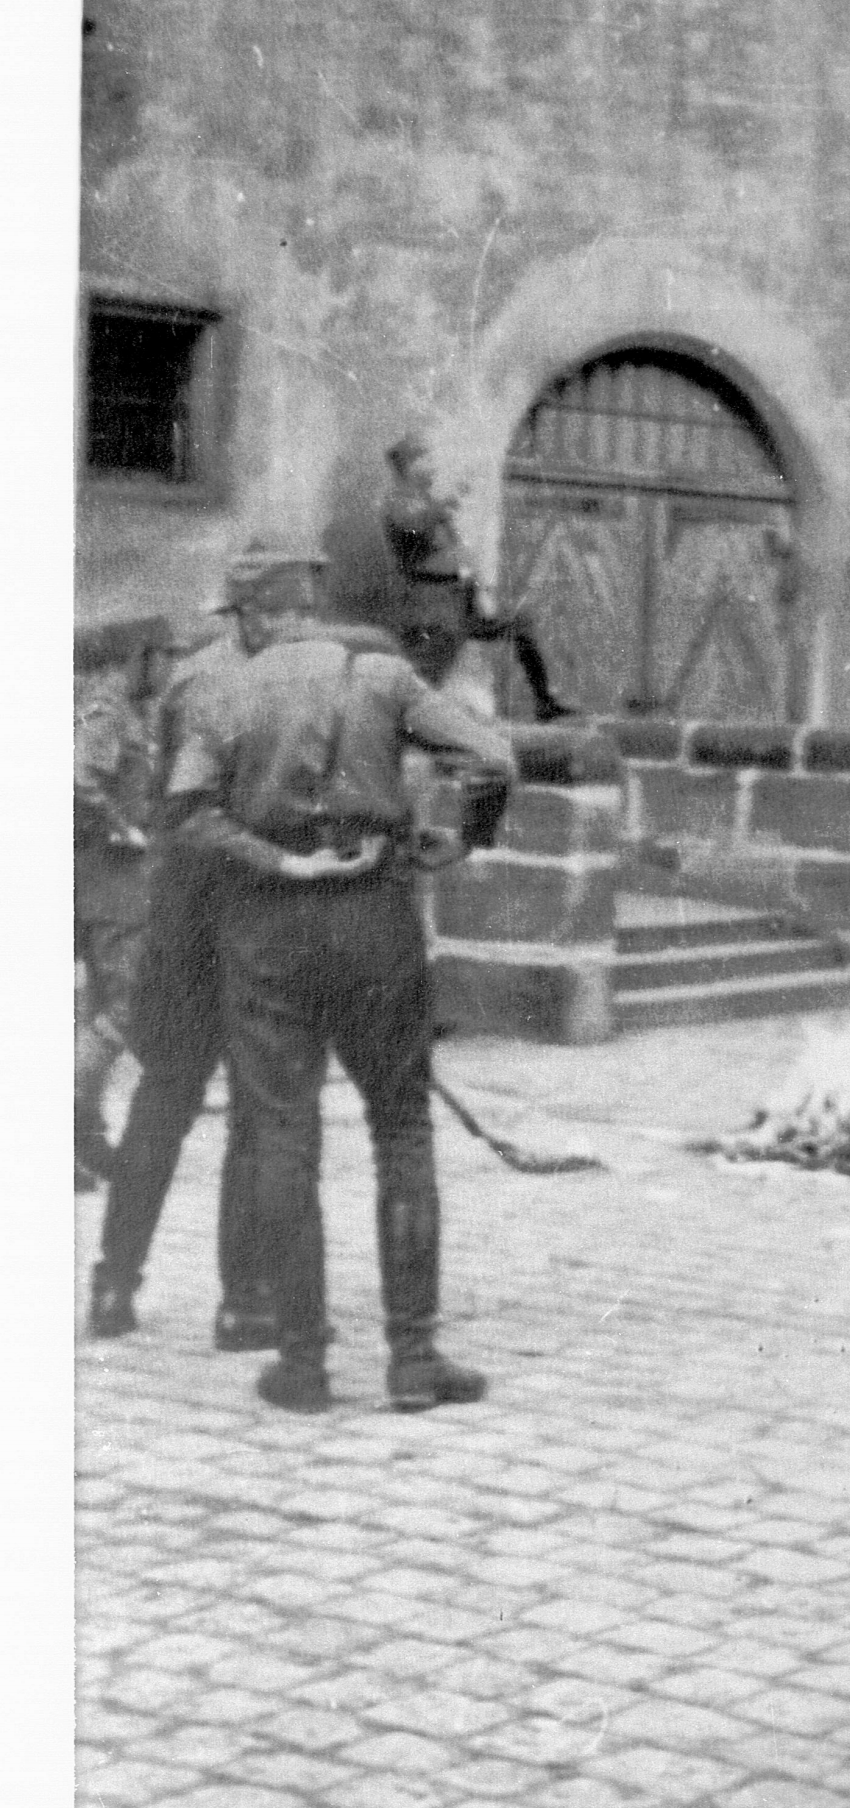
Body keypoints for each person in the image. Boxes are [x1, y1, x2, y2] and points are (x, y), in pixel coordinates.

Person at [165, 553, 516, 1413]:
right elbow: (492, 757)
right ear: (310, 603)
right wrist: (459, 837)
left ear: (249, 617)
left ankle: (304, 1363)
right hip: (376, 921)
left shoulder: (223, 692)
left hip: (268, 931)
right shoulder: (383, 674)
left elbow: (186, 816)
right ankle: (413, 1358)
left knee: (282, 1135)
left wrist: (280, 856)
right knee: (400, 1129)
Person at [89, 544, 394, 1347]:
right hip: (234, 920)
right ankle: (238, 1300)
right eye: (290, 611)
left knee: (172, 1102)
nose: (301, 626)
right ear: (260, 615)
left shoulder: (199, 678)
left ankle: (116, 1285)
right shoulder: (238, 685)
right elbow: (201, 811)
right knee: (244, 1117)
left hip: (193, 917)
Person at [381, 430, 572, 717]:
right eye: (424, 458)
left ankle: (544, 703)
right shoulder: (398, 500)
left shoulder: (424, 499)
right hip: (430, 603)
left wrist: (474, 579)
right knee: (426, 675)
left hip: (456, 600)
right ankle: (403, 720)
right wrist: (446, 504)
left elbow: (450, 547)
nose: (432, 465)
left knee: (520, 626)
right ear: (407, 466)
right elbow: (413, 525)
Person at [74, 620, 169, 1191]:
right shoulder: (109, 711)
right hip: (115, 887)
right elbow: (81, 778)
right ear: (142, 657)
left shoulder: (120, 710)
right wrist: (124, 828)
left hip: (113, 886)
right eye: (164, 659)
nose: (168, 671)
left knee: (103, 1010)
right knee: (127, 1007)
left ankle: (85, 1138)